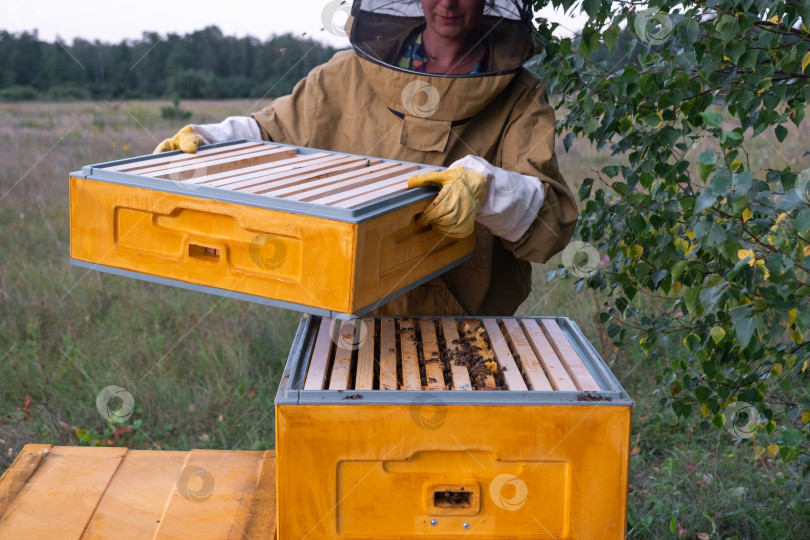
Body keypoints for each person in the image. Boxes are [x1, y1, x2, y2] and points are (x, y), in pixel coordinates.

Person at [155, 0, 577, 316]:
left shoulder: (521, 97)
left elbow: (551, 224)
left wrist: (489, 191)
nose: (447, 3)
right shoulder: (344, 76)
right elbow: (270, 132)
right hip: (348, 321)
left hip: (468, 328)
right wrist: (212, 140)